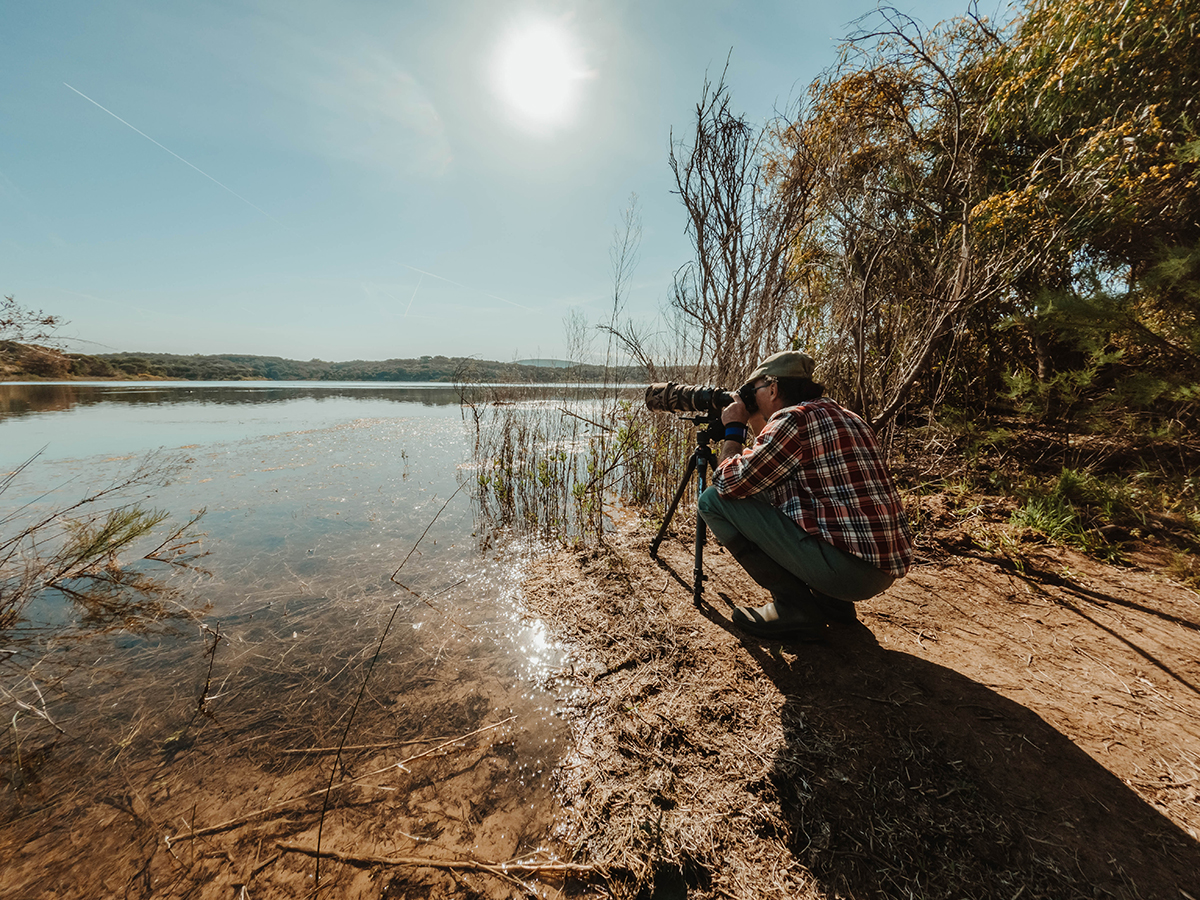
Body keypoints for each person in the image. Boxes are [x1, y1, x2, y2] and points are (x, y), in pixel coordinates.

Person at [697, 350, 913, 639]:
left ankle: (794, 607)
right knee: (776, 493)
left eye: (754, 390)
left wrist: (733, 429)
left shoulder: (794, 421)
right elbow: (767, 474)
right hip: (881, 568)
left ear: (773, 388)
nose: (751, 397)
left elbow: (727, 483)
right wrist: (754, 417)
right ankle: (833, 603)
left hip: (849, 571)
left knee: (712, 500)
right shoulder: (848, 416)